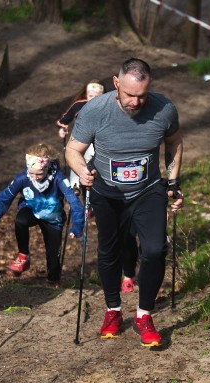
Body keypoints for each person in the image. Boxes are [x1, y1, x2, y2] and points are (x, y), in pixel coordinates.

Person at [65, 58, 184, 347]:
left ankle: (144, 315)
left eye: (142, 95)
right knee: (110, 251)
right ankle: (113, 310)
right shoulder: (94, 110)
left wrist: (173, 182)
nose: (136, 101)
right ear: (116, 83)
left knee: (155, 250)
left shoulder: (164, 108)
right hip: (108, 192)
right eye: (130, 95)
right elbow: (73, 149)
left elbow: (174, 143)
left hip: (148, 190)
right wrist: (82, 171)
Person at [57, 80, 139, 293]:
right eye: (91, 94)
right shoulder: (80, 106)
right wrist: (63, 130)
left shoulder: (113, 108)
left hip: (114, 164)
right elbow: (64, 121)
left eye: (99, 94)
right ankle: (83, 197)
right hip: (84, 150)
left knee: (127, 234)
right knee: (80, 170)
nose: (94, 98)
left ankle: (128, 274)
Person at [0, 143, 84, 287]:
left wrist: (77, 225)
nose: (35, 177)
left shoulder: (58, 178)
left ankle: (53, 281)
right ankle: (23, 256)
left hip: (53, 217)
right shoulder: (22, 178)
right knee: (20, 220)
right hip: (31, 210)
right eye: (31, 173)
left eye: (39, 174)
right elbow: (1, 201)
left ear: (47, 166)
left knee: (53, 257)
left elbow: (74, 203)